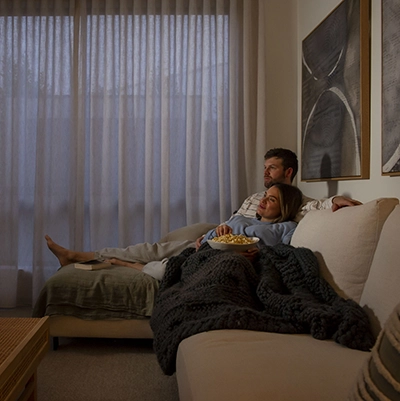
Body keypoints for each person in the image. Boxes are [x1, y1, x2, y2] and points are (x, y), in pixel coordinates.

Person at [45, 183, 303, 281]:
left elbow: (285, 254)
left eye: (271, 200)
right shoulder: (242, 216)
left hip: (213, 257)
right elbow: (221, 231)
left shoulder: (286, 228)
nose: (263, 201)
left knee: (162, 268)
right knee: (147, 249)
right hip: (201, 244)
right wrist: (211, 234)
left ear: (285, 207)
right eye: (265, 196)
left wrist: (256, 253)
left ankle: (119, 264)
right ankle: (76, 255)